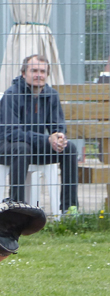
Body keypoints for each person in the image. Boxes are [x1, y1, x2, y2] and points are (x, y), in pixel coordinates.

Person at [0, 55, 78, 214]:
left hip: (35, 147)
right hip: (6, 147)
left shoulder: (51, 95)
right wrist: (46, 139)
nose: (38, 75)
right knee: (22, 148)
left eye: (42, 71)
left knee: (70, 148)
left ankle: (69, 209)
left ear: (47, 74)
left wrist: (59, 137)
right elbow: (12, 133)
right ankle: (16, 208)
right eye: (34, 70)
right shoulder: (11, 95)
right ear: (24, 73)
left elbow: (57, 125)